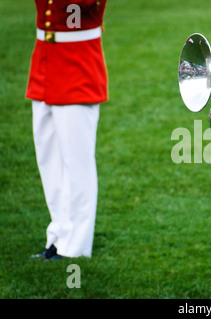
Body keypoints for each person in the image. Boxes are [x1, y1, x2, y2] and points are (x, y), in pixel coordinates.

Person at [27, 0, 108, 260]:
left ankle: (76, 246)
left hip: (78, 64)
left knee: (77, 165)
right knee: (49, 160)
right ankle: (58, 236)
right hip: (44, 59)